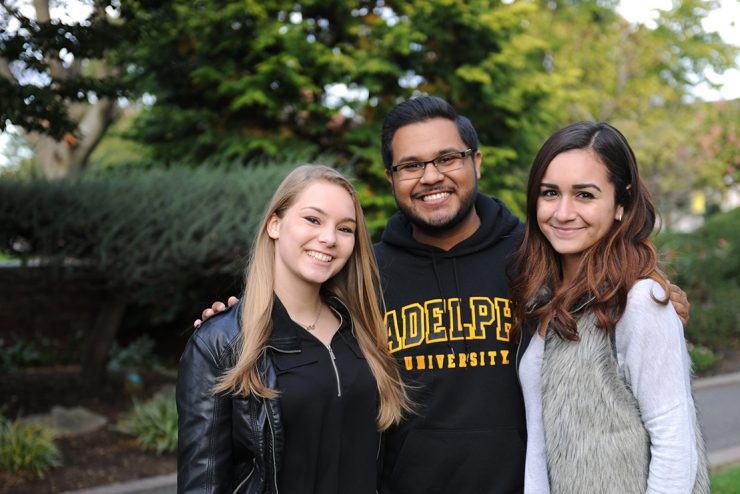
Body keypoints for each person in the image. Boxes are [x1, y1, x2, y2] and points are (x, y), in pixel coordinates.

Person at [196, 97, 691, 494]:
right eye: (410, 165)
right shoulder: (364, 273)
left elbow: (603, 280)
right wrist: (232, 323)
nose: (430, 176)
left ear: (476, 161)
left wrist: (652, 287)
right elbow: (299, 310)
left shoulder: (531, 253)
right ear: (391, 178)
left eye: (447, 158)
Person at [177, 164, 411, 493]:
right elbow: (203, 483)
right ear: (275, 224)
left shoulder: (364, 333)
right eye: (313, 219)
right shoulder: (222, 343)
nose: (329, 238)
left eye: (345, 229)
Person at [511, 121, 708, 494]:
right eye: (550, 193)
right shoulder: (542, 303)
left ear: (621, 202)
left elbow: (675, 446)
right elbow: (538, 448)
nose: (563, 212)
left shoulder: (641, 301)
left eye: (585, 195)